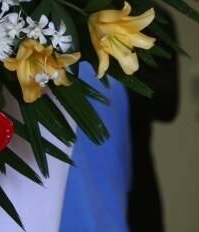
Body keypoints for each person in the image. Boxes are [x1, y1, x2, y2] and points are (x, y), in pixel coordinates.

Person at [60, 13, 179, 232]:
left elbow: (167, 104)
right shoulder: (65, 15)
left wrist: (110, 77)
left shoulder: (152, 15)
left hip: (129, 163)